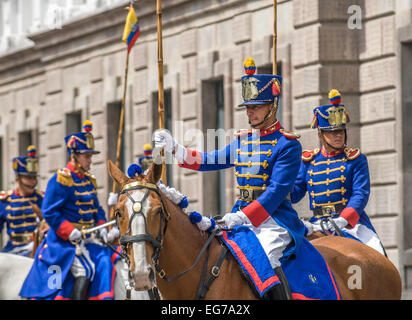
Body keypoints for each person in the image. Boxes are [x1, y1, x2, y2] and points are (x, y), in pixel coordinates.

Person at [154, 58, 306, 300]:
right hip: (240, 216)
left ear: (272, 106)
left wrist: (243, 217)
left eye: (256, 106)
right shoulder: (243, 141)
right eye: (247, 107)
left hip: (274, 221)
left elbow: (276, 192)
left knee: (266, 257)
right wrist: (175, 148)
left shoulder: (287, 144)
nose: (250, 111)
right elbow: (208, 160)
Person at [20, 121, 120, 300]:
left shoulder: (89, 180)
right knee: (85, 271)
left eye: (91, 156)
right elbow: (49, 212)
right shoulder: (61, 180)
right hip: (65, 243)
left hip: (88, 240)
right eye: (86, 156)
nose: (90, 160)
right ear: (74, 156)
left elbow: (97, 210)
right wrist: (70, 231)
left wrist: (102, 228)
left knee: (107, 260)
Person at [290, 89, 386, 256]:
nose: (338, 136)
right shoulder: (309, 161)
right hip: (317, 223)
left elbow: (360, 194)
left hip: (350, 224)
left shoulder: (355, 159)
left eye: (340, 131)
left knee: (378, 254)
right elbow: (295, 193)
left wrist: (344, 219)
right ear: (321, 135)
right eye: (332, 132)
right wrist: (278, 181)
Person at [0, 146, 43, 256]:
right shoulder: (6, 200)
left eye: (34, 178)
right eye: (28, 178)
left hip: (37, 248)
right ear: (17, 179)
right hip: (13, 249)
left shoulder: (41, 199)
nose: (33, 182)